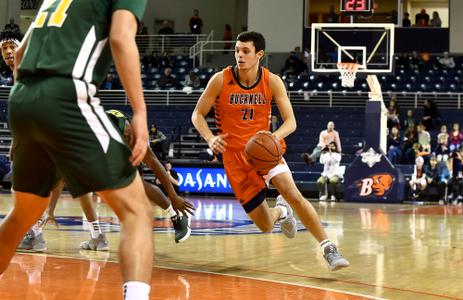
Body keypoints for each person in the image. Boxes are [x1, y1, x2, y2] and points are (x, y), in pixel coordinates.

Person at [0, 1, 154, 299]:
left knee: (23, 214)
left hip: (22, 99)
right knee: (137, 211)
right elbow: (121, 37)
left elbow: (20, 55)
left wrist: (29, 119)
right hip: (67, 94)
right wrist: (140, 112)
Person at [191, 31, 349, 271]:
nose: (239, 56)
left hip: (263, 150)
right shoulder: (220, 80)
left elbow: (291, 122)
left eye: (245, 51)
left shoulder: (272, 80)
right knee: (265, 225)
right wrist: (210, 138)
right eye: (237, 50)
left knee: (293, 192)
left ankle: (329, 248)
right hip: (234, 158)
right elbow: (197, 114)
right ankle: (281, 212)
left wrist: (272, 138)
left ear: (259, 54)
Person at [105, 110, 194, 242]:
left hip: (119, 132)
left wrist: (173, 195)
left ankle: (177, 216)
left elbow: (155, 164)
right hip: (106, 142)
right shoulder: (91, 135)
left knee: (138, 184)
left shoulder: (131, 134)